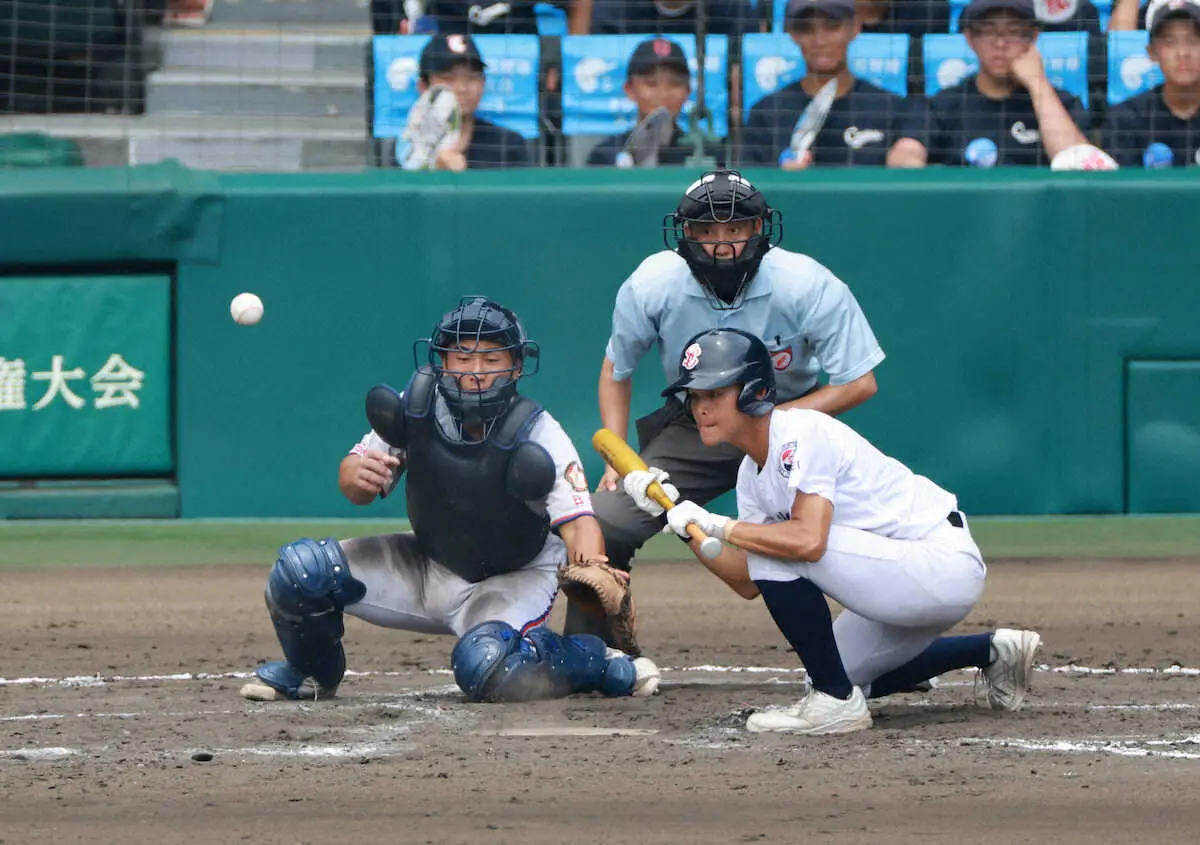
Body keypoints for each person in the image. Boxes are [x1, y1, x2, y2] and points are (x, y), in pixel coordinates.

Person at [240, 297, 660, 705]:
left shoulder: (540, 433)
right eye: (462, 357)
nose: (475, 371)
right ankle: (312, 672)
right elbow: (354, 486)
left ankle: (593, 661)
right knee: (302, 573)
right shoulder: (417, 406)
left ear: (515, 367)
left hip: (511, 580)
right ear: (442, 362)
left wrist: (590, 567)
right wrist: (356, 473)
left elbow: (578, 522)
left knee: (490, 667)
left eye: (491, 359)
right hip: (426, 563)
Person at [624, 327, 1043, 734]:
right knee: (830, 670)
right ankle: (992, 650)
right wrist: (676, 518)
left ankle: (836, 704)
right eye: (695, 395)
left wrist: (718, 524)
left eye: (715, 393)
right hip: (898, 575)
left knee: (788, 563)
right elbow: (746, 579)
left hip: (939, 562)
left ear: (754, 390)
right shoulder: (752, 472)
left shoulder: (801, 431)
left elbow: (807, 541)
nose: (700, 407)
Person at [568, 170, 884, 645]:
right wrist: (615, 455)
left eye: (735, 229)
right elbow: (617, 369)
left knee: (862, 533)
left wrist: (774, 422)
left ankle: (885, 647)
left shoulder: (805, 283)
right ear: (686, 233)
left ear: (759, 229)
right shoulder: (653, 283)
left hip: (791, 419)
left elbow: (860, 382)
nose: (722, 244)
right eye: (708, 230)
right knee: (607, 518)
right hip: (700, 420)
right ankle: (592, 651)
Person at [892, 0, 1091, 167]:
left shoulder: (1063, 104)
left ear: (1033, 37)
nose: (1000, 44)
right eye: (988, 31)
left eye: (1013, 32)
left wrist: (1037, 83)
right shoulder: (942, 106)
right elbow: (904, 155)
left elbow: (1078, 163)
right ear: (969, 39)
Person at [740, 0, 923, 168]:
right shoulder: (766, 114)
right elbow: (748, 195)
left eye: (832, 26)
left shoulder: (893, 109)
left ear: (855, 28)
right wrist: (784, 184)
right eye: (806, 29)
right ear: (792, 34)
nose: (819, 40)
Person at [391, 33, 532, 171]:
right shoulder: (405, 148)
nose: (462, 88)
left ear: (484, 83)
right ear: (423, 87)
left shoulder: (508, 145)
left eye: (472, 77)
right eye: (448, 78)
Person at [588, 37, 726, 167]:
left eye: (675, 84)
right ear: (629, 89)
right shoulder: (607, 155)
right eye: (651, 84)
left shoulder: (706, 155)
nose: (663, 94)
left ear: (688, 91)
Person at [1104, 0, 1200, 167]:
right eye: (1170, 42)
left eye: (1193, 40)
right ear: (1152, 53)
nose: (1182, 53)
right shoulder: (1125, 119)